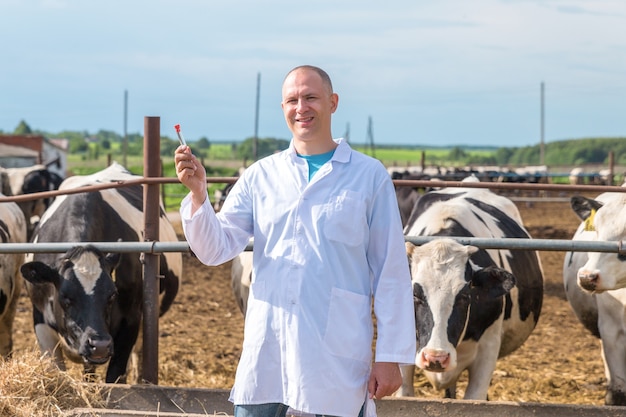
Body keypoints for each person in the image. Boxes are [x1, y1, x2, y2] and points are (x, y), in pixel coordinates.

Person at [175, 65, 416, 417]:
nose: (301, 107)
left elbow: (391, 271)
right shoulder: (261, 175)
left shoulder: (368, 176)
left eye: (311, 97)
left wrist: (391, 357)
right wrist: (199, 195)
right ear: (283, 108)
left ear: (332, 103)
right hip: (267, 355)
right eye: (292, 100)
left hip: (334, 360)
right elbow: (215, 249)